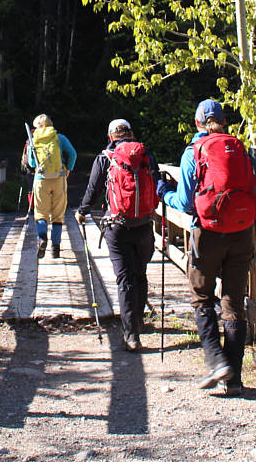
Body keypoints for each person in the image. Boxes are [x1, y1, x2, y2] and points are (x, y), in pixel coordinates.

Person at [156, 99, 256, 395]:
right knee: (233, 302)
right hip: (242, 232)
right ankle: (235, 379)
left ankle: (216, 362)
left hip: (209, 234)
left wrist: (165, 193)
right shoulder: (238, 148)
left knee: (201, 296)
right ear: (224, 121)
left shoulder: (194, 152)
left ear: (197, 123)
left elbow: (186, 203)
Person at [76, 119, 158, 352]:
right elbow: (157, 183)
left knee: (125, 280)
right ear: (131, 134)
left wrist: (82, 211)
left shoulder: (105, 158)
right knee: (140, 273)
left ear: (111, 136)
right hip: (143, 224)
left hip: (117, 225)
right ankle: (139, 322)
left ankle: (131, 335)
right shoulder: (145, 155)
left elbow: (93, 189)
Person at [25, 114, 76, 258]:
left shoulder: (33, 140)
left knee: (41, 212)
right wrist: (68, 169)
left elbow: (32, 163)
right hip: (59, 178)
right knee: (58, 214)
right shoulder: (60, 138)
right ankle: (56, 248)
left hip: (41, 179)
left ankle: (42, 238)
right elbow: (73, 154)